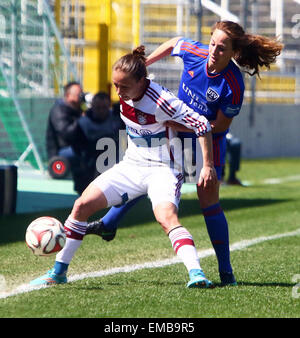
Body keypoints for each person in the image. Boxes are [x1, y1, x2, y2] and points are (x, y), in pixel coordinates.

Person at [85, 21, 283, 286]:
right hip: (175, 136)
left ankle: (226, 273)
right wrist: (147, 64)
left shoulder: (233, 85)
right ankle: (109, 223)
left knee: (208, 202)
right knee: (146, 176)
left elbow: (220, 126)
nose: (214, 51)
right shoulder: (196, 53)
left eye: (222, 48)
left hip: (207, 142)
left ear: (234, 52)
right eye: (213, 43)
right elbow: (174, 42)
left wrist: (187, 131)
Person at [30, 46, 218, 288]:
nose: (118, 91)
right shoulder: (125, 93)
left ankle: (197, 274)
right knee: (81, 206)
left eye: (123, 86)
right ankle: (57, 272)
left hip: (163, 169)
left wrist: (207, 166)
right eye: (115, 85)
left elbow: (202, 125)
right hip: (131, 165)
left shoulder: (162, 101)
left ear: (142, 81)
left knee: (166, 218)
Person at [46, 81, 88, 194]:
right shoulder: (59, 110)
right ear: (68, 95)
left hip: (74, 147)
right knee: (87, 153)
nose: (81, 96)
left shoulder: (78, 109)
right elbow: (67, 134)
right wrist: (82, 120)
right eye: (78, 94)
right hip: (61, 152)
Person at [78, 91, 120, 184]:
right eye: (98, 108)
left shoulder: (117, 120)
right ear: (92, 106)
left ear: (109, 107)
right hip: (91, 162)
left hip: (114, 160)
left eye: (104, 108)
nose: (101, 111)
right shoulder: (83, 123)